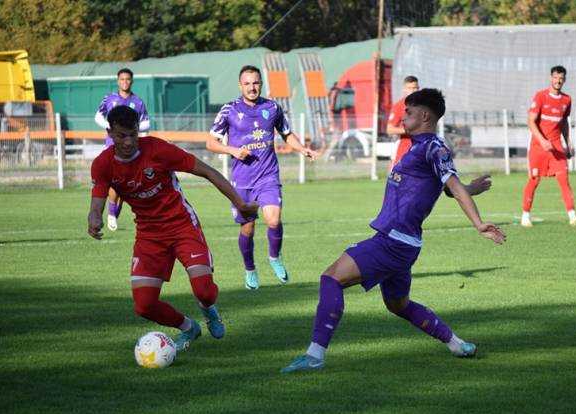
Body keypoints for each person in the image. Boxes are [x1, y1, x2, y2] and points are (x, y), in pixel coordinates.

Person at [282, 88, 506, 374]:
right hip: (402, 243)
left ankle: (314, 356)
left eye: (409, 112)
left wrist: (478, 223)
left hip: (392, 242)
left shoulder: (432, 147)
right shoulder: (421, 146)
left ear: (425, 115)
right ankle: (457, 344)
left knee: (330, 279)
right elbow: (450, 188)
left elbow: (453, 187)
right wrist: (471, 188)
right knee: (399, 305)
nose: (403, 117)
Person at [88, 105, 258, 352]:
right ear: (110, 133)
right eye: (121, 135)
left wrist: (240, 203)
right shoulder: (103, 164)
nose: (128, 141)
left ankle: (209, 310)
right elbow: (97, 202)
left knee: (205, 292)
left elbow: (208, 171)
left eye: (133, 134)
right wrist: (94, 218)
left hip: (182, 226)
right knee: (144, 306)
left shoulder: (158, 149)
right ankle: (189, 328)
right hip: (148, 235)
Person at [206, 65, 318, 290]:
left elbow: (286, 134)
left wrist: (302, 149)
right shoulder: (229, 110)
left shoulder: (272, 107)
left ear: (261, 84)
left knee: (274, 220)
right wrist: (233, 150)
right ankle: (250, 269)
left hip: (268, 176)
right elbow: (211, 143)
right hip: (242, 180)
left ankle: (274, 257)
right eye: (247, 83)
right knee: (248, 228)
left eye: (255, 82)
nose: (252, 87)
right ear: (240, 85)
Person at [522, 65, 576, 227]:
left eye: (561, 78)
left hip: (556, 146)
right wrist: (542, 140)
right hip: (538, 147)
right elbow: (530, 121)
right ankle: (525, 216)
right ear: (551, 78)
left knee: (564, 179)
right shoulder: (540, 96)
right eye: (556, 77)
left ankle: (573, 216)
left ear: (564, 79)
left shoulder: (566, 100)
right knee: (534, 180)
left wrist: (568, 143)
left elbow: (564, 123)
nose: (558, 81)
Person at [94, 68, 151, 232]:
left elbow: (147, 123)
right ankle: (112, 213)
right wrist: (111, 127)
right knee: (114, 179)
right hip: (112, 145)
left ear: (131, 81)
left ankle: (113, 213)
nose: (125, 82)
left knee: (127, 182)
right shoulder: (109, 99)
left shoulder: (138, 102)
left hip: (131, 146)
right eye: (122, 79)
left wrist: (132, 129)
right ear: (117, 81)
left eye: (128, 79)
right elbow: (98, 116)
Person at [386, 75, 420, 168]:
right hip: (404, 150)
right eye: (410, 88)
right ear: (404, 89)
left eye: (415, 88)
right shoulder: (399, 106)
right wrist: (407, 130)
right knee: (399, 180)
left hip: (422, 150)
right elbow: (390, 129)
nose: (413, 91)